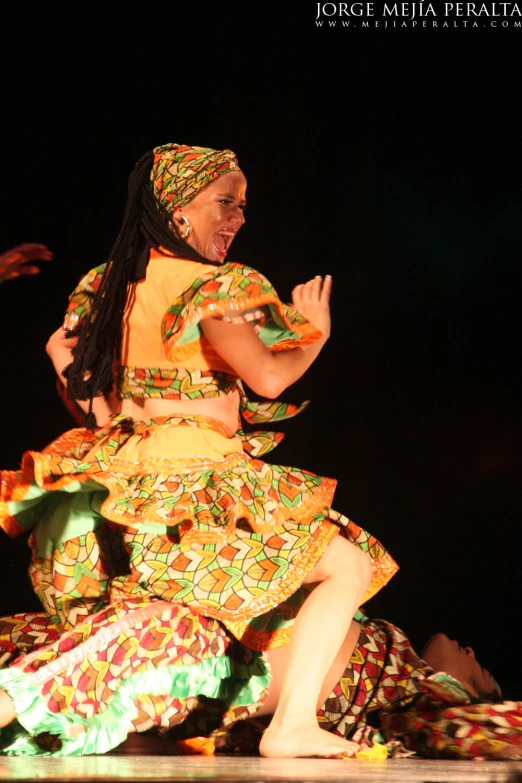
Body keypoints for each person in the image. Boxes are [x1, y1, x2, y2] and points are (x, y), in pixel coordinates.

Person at [0, 142, 398, 758]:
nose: (238, 219)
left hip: (124, 488)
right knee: (347, 565)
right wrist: (314, 333)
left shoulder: (103, 290)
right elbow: (268, 379)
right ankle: (291, 724)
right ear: (176, 207)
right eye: (226, 202)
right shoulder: (213, 287)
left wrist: (60, 368)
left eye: (243, 206)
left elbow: (102, 416)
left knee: (176, 628)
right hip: (196, 481)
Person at [0, 590, 518, 759]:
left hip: (213, 660)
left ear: (473, 697)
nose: (471, 650)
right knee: (39, 643)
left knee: (73, 674)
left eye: (480, 669)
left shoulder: (420, 697)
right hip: (212, 637)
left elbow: (501, 731)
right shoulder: (395, 656)